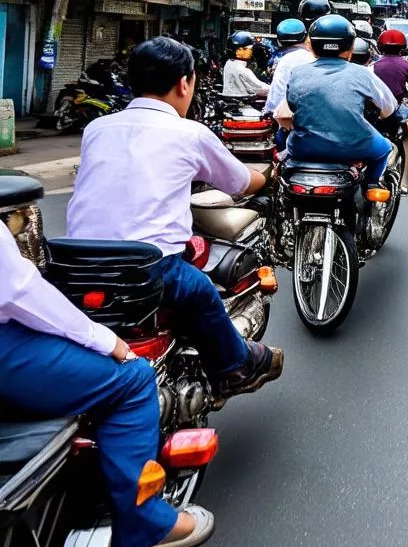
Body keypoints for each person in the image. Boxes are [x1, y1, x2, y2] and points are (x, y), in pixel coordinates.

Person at [67, 37, 284, 401]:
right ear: (184, 83)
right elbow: (240, 182)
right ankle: (235, 366)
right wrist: (268, 178)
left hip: (78, 266)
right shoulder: (190, 133)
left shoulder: (97, 129)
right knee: (201, 290)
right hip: (149, 270)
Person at [0, 215, 213, 547]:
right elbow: (19, 291)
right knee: (135, 379)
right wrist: (102, 338)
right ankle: (143, 527)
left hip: (81, 257)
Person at [275, 15, 397, 187]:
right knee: (385, 149)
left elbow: (290, 106)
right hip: (354, 147)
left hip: (303, 149)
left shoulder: (297, 73)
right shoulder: (364, 73)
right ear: (351, 47)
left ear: (311, 46)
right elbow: (389, 109)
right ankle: (370, 186)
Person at [264, 18, 313, 119]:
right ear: (305, 37)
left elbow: (277, 92)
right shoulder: (313, 57)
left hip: (286, 118)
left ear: (279, 40)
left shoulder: (281, 59)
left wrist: (269, 110)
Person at [374, 30, 408, 120]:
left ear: (380, 47)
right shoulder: (406, 64)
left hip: (378, 108)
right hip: (398, 107)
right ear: (403, 48)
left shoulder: (375, 65)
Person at [221, 31, 270, 98]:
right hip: (242, 102)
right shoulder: (243, 71)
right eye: (250, 49)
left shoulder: (228, 64)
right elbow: (262, 88)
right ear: (239, 50)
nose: (251, 51)